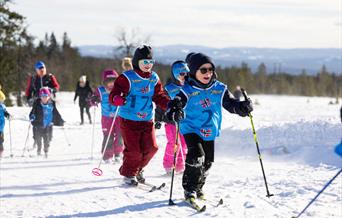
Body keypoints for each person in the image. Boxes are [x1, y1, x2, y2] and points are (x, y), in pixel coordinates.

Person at [166, 53, 253, 201]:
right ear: (193, 71)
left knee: (207, 163)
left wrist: (242, 107)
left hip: (209, 130)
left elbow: (230, 104)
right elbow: (174, 104)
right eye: (203, 70)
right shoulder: (186, 90)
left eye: (210, 70)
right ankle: (190, 189)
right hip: (191, 128)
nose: (208, 73)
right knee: (196, 156)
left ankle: (199, 187)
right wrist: (174, 111)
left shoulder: (219, 88)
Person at [109, 45, 170, 185]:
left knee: (151, 148)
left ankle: (138, 169)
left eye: (150, 62)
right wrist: (117, 98)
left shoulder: (153, 78)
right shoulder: (127, 78)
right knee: (134, 151)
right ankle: (129, 175)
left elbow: (159, 95)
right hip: (129, 120)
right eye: (145, 62)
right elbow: (114, 94)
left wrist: (169, 105)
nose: (148, 65)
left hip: (147, 120)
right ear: (137, 62)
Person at [155, 60, 189, 174]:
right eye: (181, 74)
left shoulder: (190, 87)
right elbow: (161, 105)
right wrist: (158, 119)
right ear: (175, 74)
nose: (185, 77)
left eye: (187, 74)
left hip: (186, 122)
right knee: (174, 143)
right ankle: (169, 165)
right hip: (171, 121)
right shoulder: (169, 89)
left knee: (184, 144)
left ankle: (180, 166)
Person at [92, 70, 123, 163]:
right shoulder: (100, 90)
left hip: (119, 117)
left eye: (113, 81)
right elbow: (93, 98)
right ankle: (107, 155)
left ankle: (118, 154)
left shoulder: (120, 90)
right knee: (108, 136)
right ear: (104, 82)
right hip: (106, 118)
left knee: (120, 135)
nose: (111, 84)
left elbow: (127, 98)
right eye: (108, 82)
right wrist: (94, 100)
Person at [29, 87, 64, 157]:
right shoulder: (37, 104)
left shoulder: (51, 104)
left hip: (48, 124)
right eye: (42, 96)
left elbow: (55, 112)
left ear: (48, 96)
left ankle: (46, 150)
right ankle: (39, 149)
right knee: (38, 139)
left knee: (47, 139)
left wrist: (60, 120)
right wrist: (32, 116)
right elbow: (32, 112)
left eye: (46, 96)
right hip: (38, 124)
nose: (44, 98)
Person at [0, 85, 10, 158]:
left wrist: (8, 115)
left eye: (1, 101)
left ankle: (1, 151)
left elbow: (5, 113)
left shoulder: (2, 107)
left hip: (0, 126)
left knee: (1, 140)